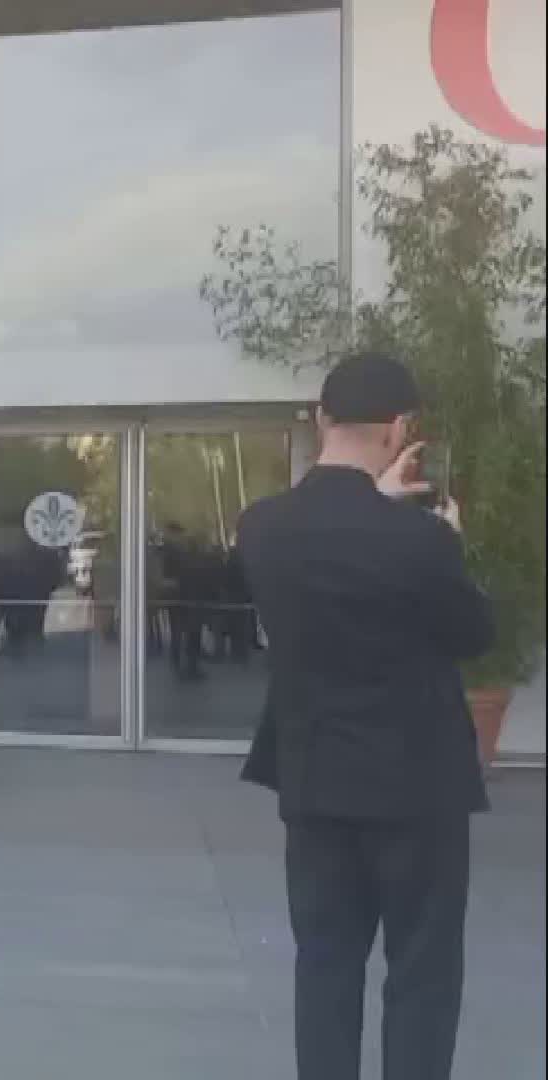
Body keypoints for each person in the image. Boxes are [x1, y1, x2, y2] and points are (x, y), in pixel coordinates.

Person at [238, 351, 494, 1080]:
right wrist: (445, 538)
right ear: (401, 429)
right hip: (417, 790)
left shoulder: (261, 528)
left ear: (321, 418)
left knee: (324, 967)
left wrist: (377, 505)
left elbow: (340, 550)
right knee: (422, 975)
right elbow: (473, 634)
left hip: (315, 784)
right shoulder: (420, 538)